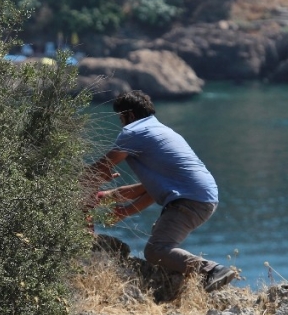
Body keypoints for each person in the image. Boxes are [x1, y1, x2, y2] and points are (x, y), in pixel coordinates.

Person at [89, 90, 236, 292]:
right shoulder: (160, 130)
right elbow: (149, 191)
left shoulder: (133, 132)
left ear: (129, 115)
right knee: (160, 241)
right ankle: (177, 287)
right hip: (201, 196)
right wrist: (122, 210)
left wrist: (78, 185)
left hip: (190, 199)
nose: (121, 123)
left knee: (156, 250)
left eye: (120, 118)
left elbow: (101, 167)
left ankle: (212, 270)